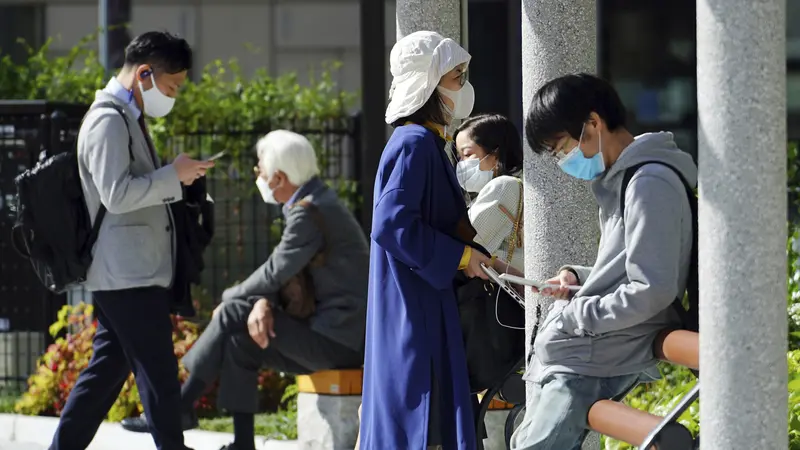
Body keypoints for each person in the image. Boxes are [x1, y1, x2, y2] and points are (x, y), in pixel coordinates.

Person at [121, 130, 369, 450]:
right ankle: (242, 443)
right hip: (329, 334)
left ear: (279, 177)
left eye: (260, 171)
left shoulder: (310, 210)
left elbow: (276, 269)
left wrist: (231, 298)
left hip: (338, 340)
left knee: (235, 311)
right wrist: (262, 302)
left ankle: (177, 407)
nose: (258, 177)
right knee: (242, 340)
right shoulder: (314, 201)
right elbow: (284, 272)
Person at [510, 73, 697, 450]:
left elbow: (652, 287)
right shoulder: (623, 180)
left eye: (560, 146)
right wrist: (576, 277)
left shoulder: (648, 183)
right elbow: (630, 266)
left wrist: (578, 318)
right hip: (589, 349)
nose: (561, 159)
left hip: (595, 353)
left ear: (593, 123)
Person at [50, 31, 214, 450]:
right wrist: (172, 175)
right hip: (125, 272)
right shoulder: (107, 119)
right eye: (172, 85)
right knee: (157, 370)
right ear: (144, 73)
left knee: (106, 372)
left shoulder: (125, 115)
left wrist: (178, 178)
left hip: (130, 269)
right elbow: (116, 194)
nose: (174, 95)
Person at [360, 30, 511, 450]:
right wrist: (463, 256)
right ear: (428, 83)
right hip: (418, 308)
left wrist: (473, 257)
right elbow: (391, 225)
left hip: (418, 301)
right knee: (424, 424)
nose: (464, 86)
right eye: (456, 76)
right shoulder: (416, 144)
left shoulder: (420, 142)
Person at [454, 113, 525, 273]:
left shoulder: (503, 186)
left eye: (467, 154)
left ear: (495, 154)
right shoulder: (510, 186)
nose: (461, 164)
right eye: (459, 157)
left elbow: (468, 245)